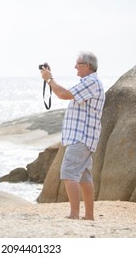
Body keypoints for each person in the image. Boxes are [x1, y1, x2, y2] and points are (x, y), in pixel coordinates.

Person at [40, 51, 105, 220]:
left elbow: (63, 94)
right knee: (83, 176)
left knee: (69, 173)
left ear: (87, 66)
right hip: (83, 137)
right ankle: (88, 216)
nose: (75, 66)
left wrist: (49, 79)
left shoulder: (90, 82)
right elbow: (65, 93)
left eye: (78, 63)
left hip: (80, 137)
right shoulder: (91, 82)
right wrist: (49, 79)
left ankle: (74, 214)